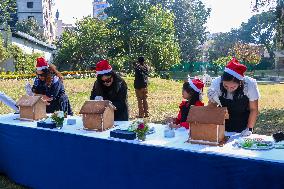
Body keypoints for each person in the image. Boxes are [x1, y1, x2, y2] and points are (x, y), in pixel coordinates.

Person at [207, 57, 260, 136]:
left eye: (233, 87)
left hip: (243, 122)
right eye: (225, 86)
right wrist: (212, 99)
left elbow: (254, 109)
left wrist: (249, 128)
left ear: (240, 83)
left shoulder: (249, 84)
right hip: (223, 123)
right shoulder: (217, 83)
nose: (229, 90)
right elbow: (211, 108)